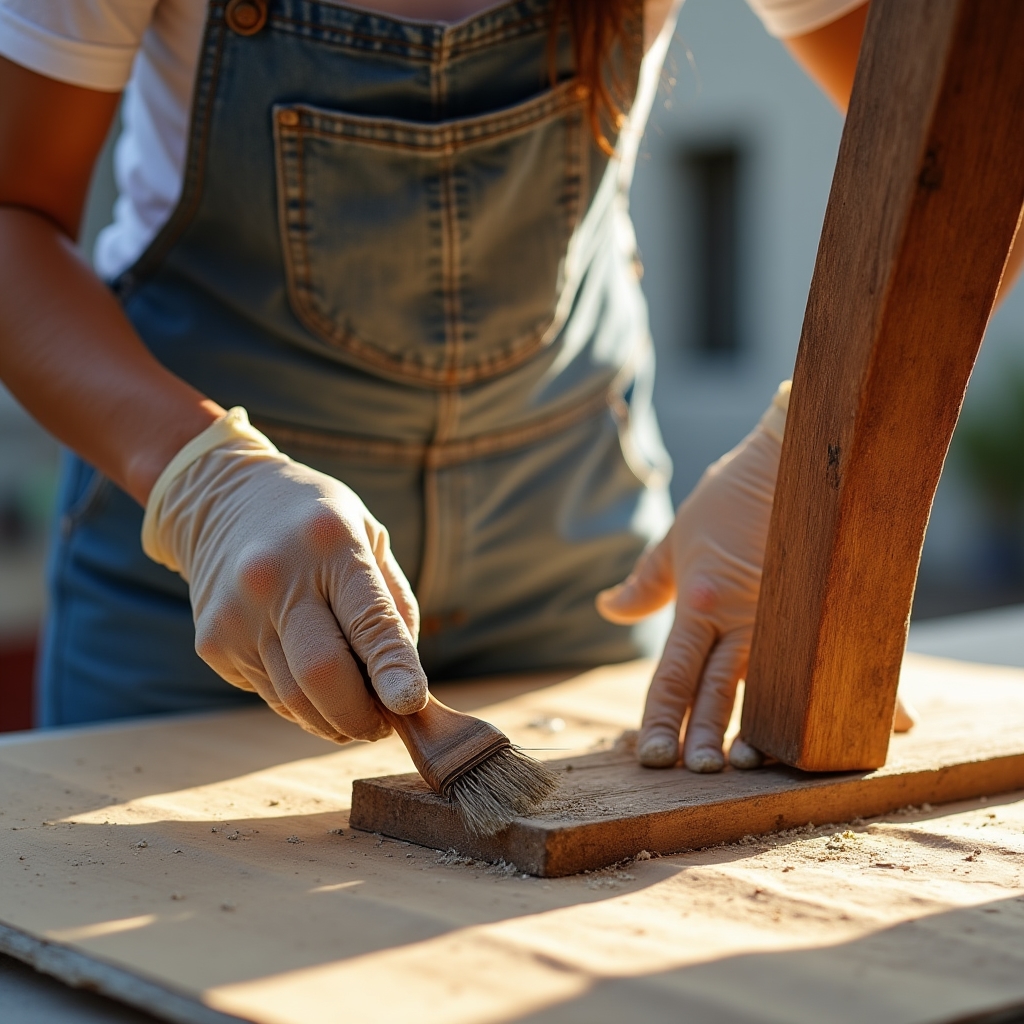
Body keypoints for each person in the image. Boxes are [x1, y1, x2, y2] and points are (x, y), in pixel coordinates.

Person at [0, 0, 1019, 769]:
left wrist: (816, 458)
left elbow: (987, 135)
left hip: (578, 577)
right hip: (206, 608)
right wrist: (204, 483)